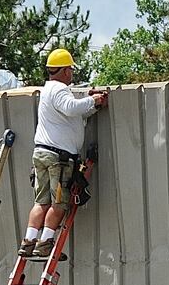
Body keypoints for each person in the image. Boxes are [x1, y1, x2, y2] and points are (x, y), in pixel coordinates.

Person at [18, 48, 107, 259]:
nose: (72, 74)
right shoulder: (59, 90)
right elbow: (70, 108)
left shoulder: (49, 90)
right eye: (71, 70)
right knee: (59, 203)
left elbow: (75, 115)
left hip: (42, 154)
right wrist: (93, 100)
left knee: (41, 202)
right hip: (59, 159)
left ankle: (29, 241)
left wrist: (91, 105)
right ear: (66, 70)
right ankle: (46, 242)